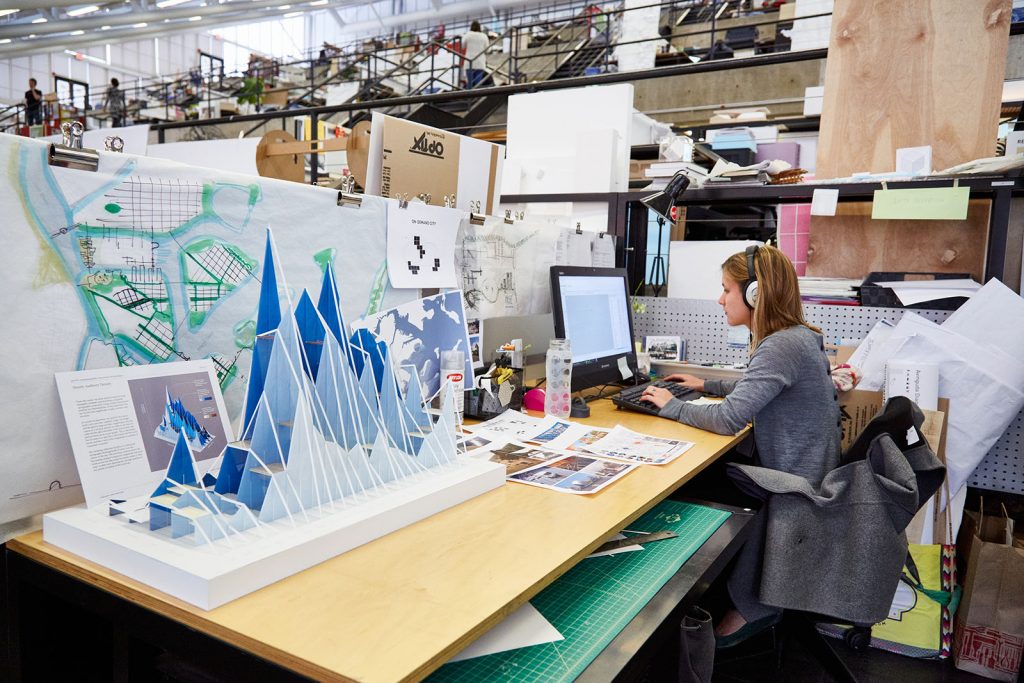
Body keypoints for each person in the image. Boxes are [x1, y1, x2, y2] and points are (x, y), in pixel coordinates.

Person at [640, 245, 840, 646]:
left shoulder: (781, 344)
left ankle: (742, 606)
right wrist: (706, 385)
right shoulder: (797, 338)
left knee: (692, 487)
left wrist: (671, 406)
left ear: (755, 294)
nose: (720, 299)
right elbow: (761, 388)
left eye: (726, 289)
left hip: (791, 484)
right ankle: (731, 595)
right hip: (808, 472)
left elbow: (729, 418)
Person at [462, 20, 489, 88]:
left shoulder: (467, 35)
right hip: (480, 62)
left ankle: (469, 97)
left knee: (470, 83)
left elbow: (462, 46)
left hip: (469, 61)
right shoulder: (484, 36)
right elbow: (487, 49)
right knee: (478, 83)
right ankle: (477, 97)